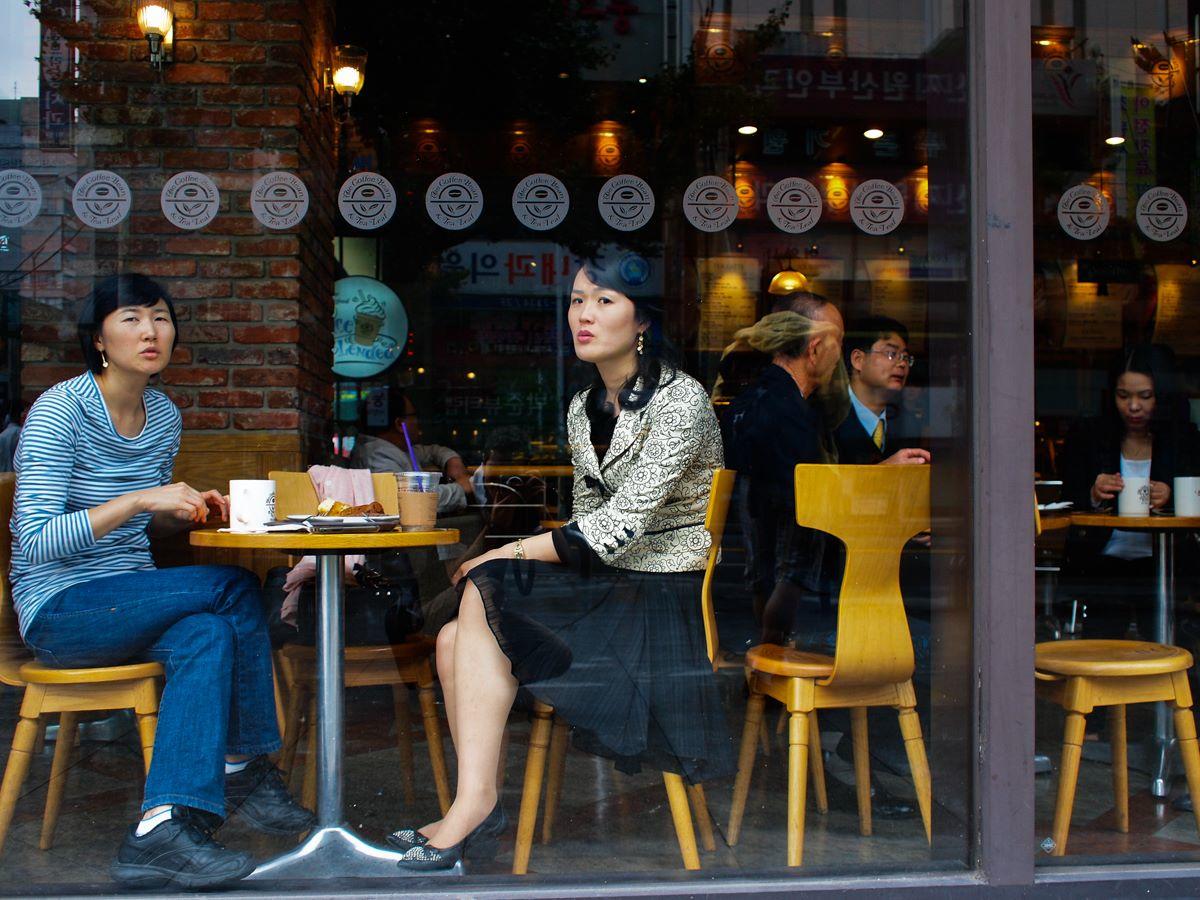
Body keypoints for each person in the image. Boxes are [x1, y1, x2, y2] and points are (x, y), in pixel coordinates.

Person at [386, 256, 733, 871]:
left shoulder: (680, 401)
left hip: (661, 597)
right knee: (449, 639)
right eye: (577, 300)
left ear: (643, 320)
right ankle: (477, 808)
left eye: (604, 301)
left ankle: (473, 809)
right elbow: (586, 518)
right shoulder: (584, 405)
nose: (583, 315)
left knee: (488, 580)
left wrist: (507, 552)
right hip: (609, 585)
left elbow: (616, 526)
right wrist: (515, 557)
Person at [9, 274, 314, 891]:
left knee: (208, 633)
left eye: (161, 318)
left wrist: (180, 512)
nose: (150, 331)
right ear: (98, 339)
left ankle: (159, 828)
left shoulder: (163, 416)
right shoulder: (60, 411)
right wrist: (141, 499)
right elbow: (36, 539)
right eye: (131, 318)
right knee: (232, 587)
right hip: (60, 611)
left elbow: (139, 534)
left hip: (130, 599)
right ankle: (245, 765)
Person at [1060, 344, 1199, 645]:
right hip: (1104, 564)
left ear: (1162, 395)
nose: (1133, 406)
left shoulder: (1184, 439)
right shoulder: (1091, 437)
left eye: (1145, 396)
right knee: (1102, 649)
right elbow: (1069, 495)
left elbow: (1195, 494)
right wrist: (1094, 493)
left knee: (1170, 647)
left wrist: (1171, 496)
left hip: (1164, 566)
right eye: (1123, 395)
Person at [350, 385, 471, 515]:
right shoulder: (376, 457)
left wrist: (452, 461)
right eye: (414, 415)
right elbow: (414, 501)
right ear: (399, 424)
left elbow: (432, 451)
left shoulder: (395, 449)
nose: (418, 421)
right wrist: (460, 488)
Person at [835, 316, 916, 464]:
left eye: (905, 357)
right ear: (858, 360)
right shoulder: (828, 418)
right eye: (891, 354)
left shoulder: (908, 422)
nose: (902, 364)